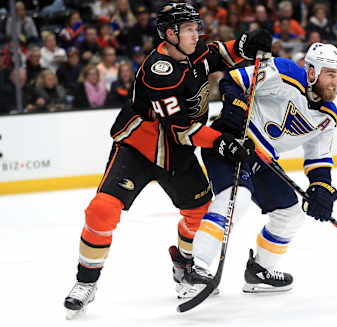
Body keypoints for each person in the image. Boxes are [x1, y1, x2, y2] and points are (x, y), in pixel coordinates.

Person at [63, 2, 271, 318]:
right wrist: (223, 143)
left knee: (200, 214)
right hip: (139, 149)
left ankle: (185, 268)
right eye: (188, 29)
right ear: (170, 33)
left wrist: (247, 43)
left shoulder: (194, 51)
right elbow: (182, 129)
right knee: (101, 209)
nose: (195, 34)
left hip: (178, 154)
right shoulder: (158, 72)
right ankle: (85, 282)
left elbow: (221, 54)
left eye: (195, 28)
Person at [184, 42, 337, 295]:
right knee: (236, 200)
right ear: (312, 72)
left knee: (292, 212)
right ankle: (196, 270)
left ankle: (259, 271)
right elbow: (232, 80)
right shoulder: (285, 72)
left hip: (262, 159)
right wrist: (236, 109)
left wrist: (321, 189)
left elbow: (319, 159)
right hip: (230, 142)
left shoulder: (328, 116)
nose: (335, 81)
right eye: (330, 74)